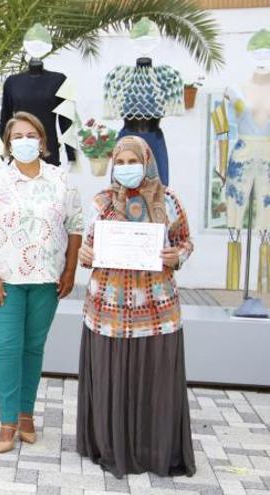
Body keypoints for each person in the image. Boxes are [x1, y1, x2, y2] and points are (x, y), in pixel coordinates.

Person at [76, 136, 196, 478]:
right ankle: (110, 446)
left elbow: (186, 241)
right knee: (112, 378)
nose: (127, 168)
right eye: (121, 161)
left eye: (134, 161)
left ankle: (152, 449)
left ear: (148, 161)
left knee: (153, 381)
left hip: (156, 310)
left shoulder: (168, 200)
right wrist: (85, 255)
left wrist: (178, 255)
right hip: (108, 309)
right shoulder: (102, 202)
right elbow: (88, 246)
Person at [0, 111, 83, 453]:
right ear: (8, 144)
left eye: (31, 135)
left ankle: (26, 414)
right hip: (6, 282)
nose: (25, 141)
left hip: (47, 280)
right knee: (7, 350)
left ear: (43, 142)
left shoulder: (61, 180)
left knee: (33, 349)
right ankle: (6, 422)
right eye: (17, 136)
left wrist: (70, 271)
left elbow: (76, 226)